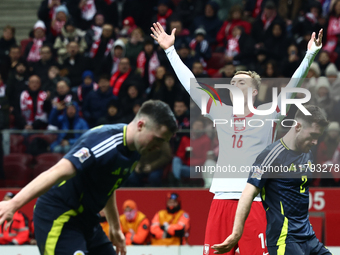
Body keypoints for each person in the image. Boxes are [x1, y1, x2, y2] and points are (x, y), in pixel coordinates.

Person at [151, 22, 323, 255]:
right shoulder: (219, 111)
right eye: (232, 82)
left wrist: (310, 54)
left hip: (254, 202)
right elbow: (192, 85)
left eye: (241, 82)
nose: (234, 84)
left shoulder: (270, 112)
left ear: (254, 91)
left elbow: (294, 84)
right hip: (221, 199)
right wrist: (170, 51)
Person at [0, 99, 177, 255]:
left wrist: (115, 227)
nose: (159, 147)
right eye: (158, 140)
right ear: (141, 125)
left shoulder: (135, 151)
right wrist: (13, 204)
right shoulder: (104, 142)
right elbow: (56, 171)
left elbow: (107, 186)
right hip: (58, 216)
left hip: (87, 220)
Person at [212, 105, 332, 255]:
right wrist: (236, 233)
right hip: (284, 241)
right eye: (313, 135)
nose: (315, 142)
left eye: (318, 137)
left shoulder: (307, 154)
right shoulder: (271, 155)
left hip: (309, 238)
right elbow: (247, 194)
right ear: (298, 126)